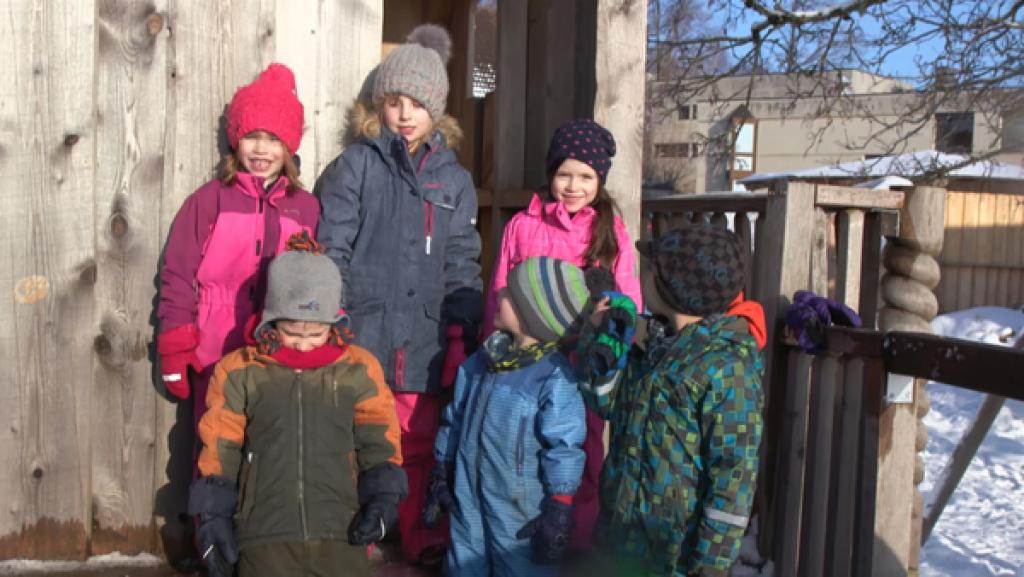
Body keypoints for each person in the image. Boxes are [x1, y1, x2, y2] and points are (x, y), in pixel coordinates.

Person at [315, 24, 482, 566]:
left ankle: (420, 533)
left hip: (425, 339)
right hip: (364, 331)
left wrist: (459, 333)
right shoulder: (356, 167)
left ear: (438, 111)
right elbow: (332, 247)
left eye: (418, 104)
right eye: (395, 101)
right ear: (379, 106)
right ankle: (356, 532)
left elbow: (462, 261)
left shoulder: (454, 180)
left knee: (415, 441)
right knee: (356, 438)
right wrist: (331, 317)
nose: (405, 114)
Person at [189, 235, 407, 577]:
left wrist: (383, 497)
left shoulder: (358, 369)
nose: (304, 344)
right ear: (271, 321)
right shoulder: (241, 370)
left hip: (340, 532)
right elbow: (220, 444)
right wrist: (213, 516)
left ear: (334, 324)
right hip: (264, 535)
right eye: (292, 332)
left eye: (315, 334)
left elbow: (378, 438)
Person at [483, 118, 641, 549]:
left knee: (583, 447)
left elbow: (629, 299)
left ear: (600, 180)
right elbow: (501, 286)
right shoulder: (524, 225)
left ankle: (578, 536)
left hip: (581, 362)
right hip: (530, 358)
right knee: (527, 439)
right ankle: (525, 526)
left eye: (586, 176)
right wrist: (495, 344)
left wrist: (617, 345)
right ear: (551, 173)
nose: (573, 185)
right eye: (564, 174)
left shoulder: (611, 231)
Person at [578, 225, 766, 577]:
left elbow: (733, 479)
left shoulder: (727, 369)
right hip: (621, 538)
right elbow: (603, 402)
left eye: (650, 269)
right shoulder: (651, 345)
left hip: (676, 557)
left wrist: (709, 567)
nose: (643, 275)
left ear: (671, 286)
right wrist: (599, 332)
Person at [157, 63, 319, 436]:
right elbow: (178, 275)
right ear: (236, 139)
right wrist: (175, 346)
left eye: (274, 139)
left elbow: (315, 281)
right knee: (215, 444)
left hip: (278, 351)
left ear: (289, 145)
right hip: (214, 350)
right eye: (253, 137)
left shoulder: (306, 208)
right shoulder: (209, 201)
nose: (262, 149)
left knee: (268, 450)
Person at [426, 256, 588, 577]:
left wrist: (559, 504)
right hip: (467, 499)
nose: (499, 293)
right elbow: (454, 418)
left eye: (510, 294)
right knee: (462, 567)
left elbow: (564, 446)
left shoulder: (554, 378)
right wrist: (442, 469)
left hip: (521, 512)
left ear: (531, 316)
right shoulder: (481, 362)